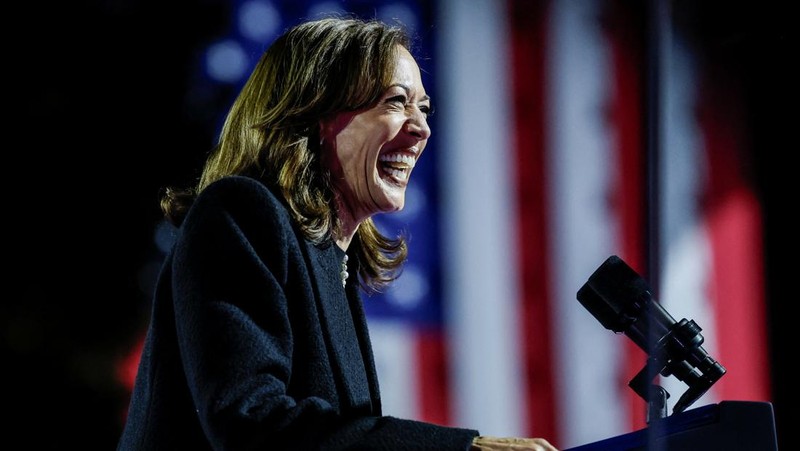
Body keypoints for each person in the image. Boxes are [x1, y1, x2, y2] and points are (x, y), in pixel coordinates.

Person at [117, 16, 558, 451]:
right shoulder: (240, 212)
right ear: (313, 114)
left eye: (423, 108)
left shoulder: (332, 261)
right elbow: (250, 421)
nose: (421, 127)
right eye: (395, 101)